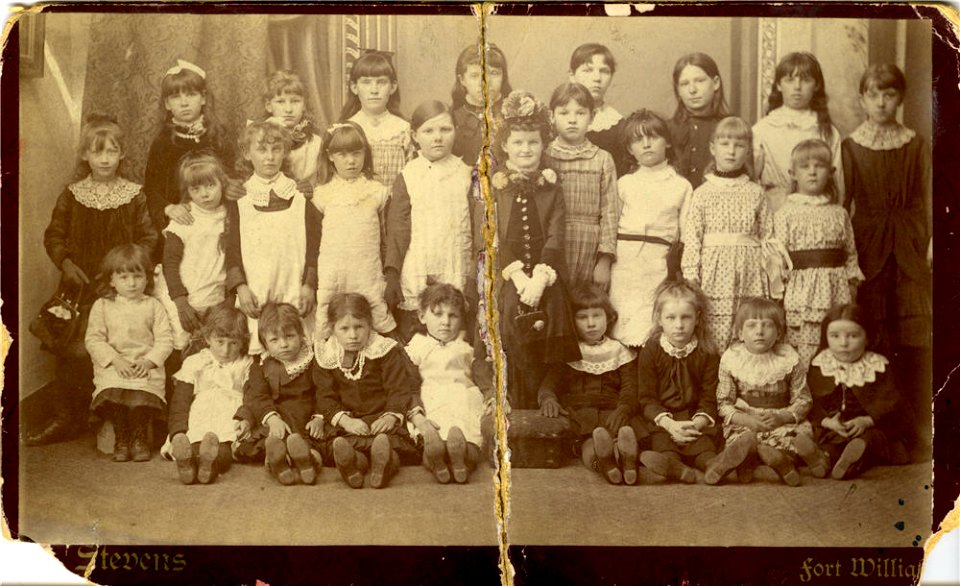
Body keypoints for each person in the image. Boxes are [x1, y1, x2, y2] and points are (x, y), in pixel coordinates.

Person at [28, 115, 157, 446]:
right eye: (97, 152)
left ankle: (113, 418)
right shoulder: (72, 195)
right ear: (85, 155)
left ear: (121, 155)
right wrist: (65, 262)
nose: (104, 159)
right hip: (80, 285)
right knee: (72, 352)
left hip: (119, 284)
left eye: (111, 152)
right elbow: (54, 234)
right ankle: (65, 417)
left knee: (119, 344)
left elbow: (147, 237)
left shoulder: (133, 195)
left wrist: (126, 268)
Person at [841, 64, 932, 446]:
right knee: (873, 327)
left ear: (901, 98)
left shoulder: (916, 144)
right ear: (862, 99)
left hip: (911, 243)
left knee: (912, 331)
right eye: (874, 94)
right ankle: (875, 418)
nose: (881, 102)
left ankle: (913, 423)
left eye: (889, 94)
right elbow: (843, 206)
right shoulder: (850, 145)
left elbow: (930, 199)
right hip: (868, 244)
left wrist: (932, 244)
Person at [493, 90, 581, 409]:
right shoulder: (496, 187)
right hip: (511, 276)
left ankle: (549, 390)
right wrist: (518, 278)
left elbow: (557, 235)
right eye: (518, 142)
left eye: (532, 142)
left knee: (556, 311)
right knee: (509, 314)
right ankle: (518, 395)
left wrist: (541, 278)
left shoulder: (551, 187)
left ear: (543, 144)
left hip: (547, 274)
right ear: (505, 145)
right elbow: (493, 239)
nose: (525, 149)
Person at [383, 101, 478, 342]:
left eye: (445, 130)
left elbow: (477, 228)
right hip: (417, 268)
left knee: (455, 341)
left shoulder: (466, 174)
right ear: (415, 136)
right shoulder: (408, 176)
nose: (438, 138)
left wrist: (473, 276)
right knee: (418, 344)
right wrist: (392, 274)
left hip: (455, 266)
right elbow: (397, 229)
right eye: (428, 131)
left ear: (455, 130)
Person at [224, 121, 321, 355]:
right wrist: (241, 288)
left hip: (295, 289)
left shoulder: (299, 195)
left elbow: (315, 246)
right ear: (247, 153)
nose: (269, 157)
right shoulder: (240, 199)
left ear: (285, 152)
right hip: (257, 294)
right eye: (262, 150)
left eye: (276, 149)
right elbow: (232, 249)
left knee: (300, 349)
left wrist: (309, 285)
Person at [681, 117, 773, 351]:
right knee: (716, 326)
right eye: (725, 144)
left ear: (747, 151)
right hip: (714, 270)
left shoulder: (756, 193)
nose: (731, 151)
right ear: (713, 148)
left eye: (739, 145)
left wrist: (771, 276)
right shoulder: (702, 193)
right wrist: (691, 273)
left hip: (750, 270)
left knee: (749, 323)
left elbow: (768, 238)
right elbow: (692, 237)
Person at [709, 298, 823, 486]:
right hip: (746, 420)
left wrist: (782, 417)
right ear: (740, 333)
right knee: (743, 441)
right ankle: (752, 461)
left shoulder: (789, 358)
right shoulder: (731, 359)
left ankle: (785, 462)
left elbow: (803, 399)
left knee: (791, 439)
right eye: (751, 326)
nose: (759, 332)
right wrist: (746, 420)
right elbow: (723, 403)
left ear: (778, 333)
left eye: (767, 325)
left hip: (779, 418)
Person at [314, 294, 423, 489]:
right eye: (344, 329)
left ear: (370, 324)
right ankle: (353, 465)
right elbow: (324, 395)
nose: (353, 335)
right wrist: (346, 421)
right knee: (339, 444)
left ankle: (385, 465)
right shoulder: (327, 355)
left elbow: (398, 388)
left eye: (359, 327)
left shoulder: (384, 350)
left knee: (387, 443)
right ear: (332, 328)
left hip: (379, 418)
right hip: (348, 422)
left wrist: (390, 417)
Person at [538, 284, 639, 485]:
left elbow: (630, 386)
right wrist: (548, 399)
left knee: (623, 433)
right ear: (572, 321)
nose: (591, 323)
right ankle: (605, 464)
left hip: (613, 412)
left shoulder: (619, 350)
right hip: (581, 414)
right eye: (582, 317)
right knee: (588, 444)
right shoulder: (569, 352)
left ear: (608, 317)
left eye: (597, 316)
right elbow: (549, 384)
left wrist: (624, 409)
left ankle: (627, 461)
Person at [774, 139, 863, 365]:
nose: (812, 172)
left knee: (836, 340)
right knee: (804, 348)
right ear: (793, 173)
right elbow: (779, 260)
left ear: (831, 172)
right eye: (805, 167)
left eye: (819, 166)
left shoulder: (839, 213)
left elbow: (850, 253)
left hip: (836, 289)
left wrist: (851, 286)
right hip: (801, 293)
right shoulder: (786, 213)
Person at [608, 109, 692, 347]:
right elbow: (610, 226)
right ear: (629, 149)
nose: (646, 144)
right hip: (624, 263)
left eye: (653, 137)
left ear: (666, 142)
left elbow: (686, 234)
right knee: (622, 321)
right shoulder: (624, 184)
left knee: (651, 326)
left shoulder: (680, 186)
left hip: (658, 262)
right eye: (637, 139)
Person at [84, 244, 173, 462]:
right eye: (123, 277)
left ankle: (139, 436)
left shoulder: (153, 305)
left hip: (144, 365)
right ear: (111, 280)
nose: (132, 283)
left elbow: (165, 340)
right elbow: (93, 339)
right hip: (115, 365)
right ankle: (122, 436)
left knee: (142, 393)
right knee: (114, 392)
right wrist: (115, 360)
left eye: (137, 276)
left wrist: (149, 362)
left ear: (147, 278)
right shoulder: (103, 305)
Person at [144, 59, 237, 260]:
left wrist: (230, 187)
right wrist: (169, 208)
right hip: (183, 219)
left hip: (216, 215)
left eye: (191, 94)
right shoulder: (163, 142)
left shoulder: (218, 135)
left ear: (203, 98)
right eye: (176, 97)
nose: (184, 103)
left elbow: (231, 174)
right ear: (167, 104)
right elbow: (152, 189)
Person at [807, 304, 913, 479]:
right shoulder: (821, 364)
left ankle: (851, 460)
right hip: (835, 427)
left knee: (868, 441)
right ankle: (822, 460)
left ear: (868, 338)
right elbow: (811, 401)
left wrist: (867, 420)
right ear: (826, 337)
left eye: (853, 336)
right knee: (829, 444)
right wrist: (827, 421)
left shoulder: (877, 366)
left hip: (870, 426)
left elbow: (895, 403)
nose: (843, 343)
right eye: (835, 336)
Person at [312, 122, 397, 340]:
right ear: (330, 156)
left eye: (356, 153)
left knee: (375, 304)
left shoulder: (376, 191)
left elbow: (387, 235)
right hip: (333, 266)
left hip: (366, 266)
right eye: (342, 154)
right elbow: (313, 240)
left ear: (365, 154)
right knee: (326, 304)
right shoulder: (322, 194)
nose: (351, 161)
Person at [636, 280, 721, 485]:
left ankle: (716, 467)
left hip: (694, 419)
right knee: (664, 447)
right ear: (659, 319)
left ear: (697, 318)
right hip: (664, 421)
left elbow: (710, 396)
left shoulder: (707, 353)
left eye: (686, 317)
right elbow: (646, 398)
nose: (679, 325)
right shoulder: (651, 350)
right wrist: (670, 424)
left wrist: (696, 424)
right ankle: (676, 468)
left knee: (705, 449)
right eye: (671, 317)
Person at [235, 303, 324, 485]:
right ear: (265, 343)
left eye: (290, 336)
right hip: (277, 417)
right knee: (264, 442)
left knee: (315, 443)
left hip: (305, 417)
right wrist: (272, 418)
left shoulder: (314, 360)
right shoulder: (260, 366)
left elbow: (325, 391)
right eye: (274, 340)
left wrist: (319, 418)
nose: (284, 344)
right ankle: (278, 463)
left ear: (301, 334)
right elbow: (257, 397)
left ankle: (308, 461)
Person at [405, 283, 486, 484]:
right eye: (438, 314)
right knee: (433, 434)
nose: (446, 322)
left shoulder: (466, 346)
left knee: (468, 428)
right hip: (431, 398)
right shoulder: (416, 346)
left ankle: (464, 459)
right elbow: (408, 383)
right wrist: (417, 413)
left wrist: (491, 397)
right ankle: (436, 458)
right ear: (422, 316)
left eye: (453, 316)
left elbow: (482, 374)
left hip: (463, 396)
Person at [543, 82, 618, 290]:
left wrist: (604, 260)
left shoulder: (602, 159)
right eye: (564, 113)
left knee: (587, 305)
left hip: (590, 246)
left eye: (581, 113)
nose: (572, 120)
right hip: (554, 243)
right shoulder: (545, 157)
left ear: (592, 117)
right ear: (552, 116)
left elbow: (610, 212)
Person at [167, 306, 253, 484]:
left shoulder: (246, 364)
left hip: (229, 417)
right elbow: (180, 401)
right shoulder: (195, 362)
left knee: (222, 449)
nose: (226, 350)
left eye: (233, 343)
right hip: (200, 416)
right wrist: (178, 431)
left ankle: (208, 467)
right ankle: (188, 464)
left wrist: (246, 419)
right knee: (193, 442)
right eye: (220, 342)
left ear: (243, 342)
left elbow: (252, 397)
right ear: (208, 338)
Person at [156, 152, 230, 352]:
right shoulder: (185, 218)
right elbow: (170, 264)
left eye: (210, 186)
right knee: (182, 346)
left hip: (214, 296)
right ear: (188, 191)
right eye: (196, 189)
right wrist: (181, 302)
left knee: (212, 349)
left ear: (222, 183)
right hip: (183, 296)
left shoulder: (229, 214)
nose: (204, 194)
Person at [753, 52, 843, 212]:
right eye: (789, 80)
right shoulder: (762, 129)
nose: (797, 87)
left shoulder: (827, 131)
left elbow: (838, 186)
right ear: (779, 85)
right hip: (774, 210)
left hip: (817, 210)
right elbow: (751, 182)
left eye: (806, 80)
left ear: (816, 85)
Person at [338, 51, 413, 188]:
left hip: (397, 206)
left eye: (381, 82)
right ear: (354, 87)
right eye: (366, 82)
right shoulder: (346, 129)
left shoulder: (404, 129)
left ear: (392, 87)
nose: (374, 90)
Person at [668, 52, 731, 189]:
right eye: (684, 84)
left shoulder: (731, 128)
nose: (692, 90)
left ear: (715, 83)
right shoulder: (667, 130)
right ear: (678, 90)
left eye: (700, 81)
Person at [568, 43, 629, 175]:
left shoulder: (618, 126)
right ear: (572, 75)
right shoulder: (556, 121)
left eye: (604, 71)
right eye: (588, 70)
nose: (597, 78)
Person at [451, 42, 512, 166]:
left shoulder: (515, 114)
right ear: (462, 80)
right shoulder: (451, 118)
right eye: (474, 75)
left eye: (494, 73)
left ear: (503, 77)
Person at [261, 70, 323, 190]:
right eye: (280, 102)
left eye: (295, 101)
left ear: (304, 105)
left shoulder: (315, 142)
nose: (288, 109)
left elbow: (320, 181)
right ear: (269, 105)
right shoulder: (258, 138)